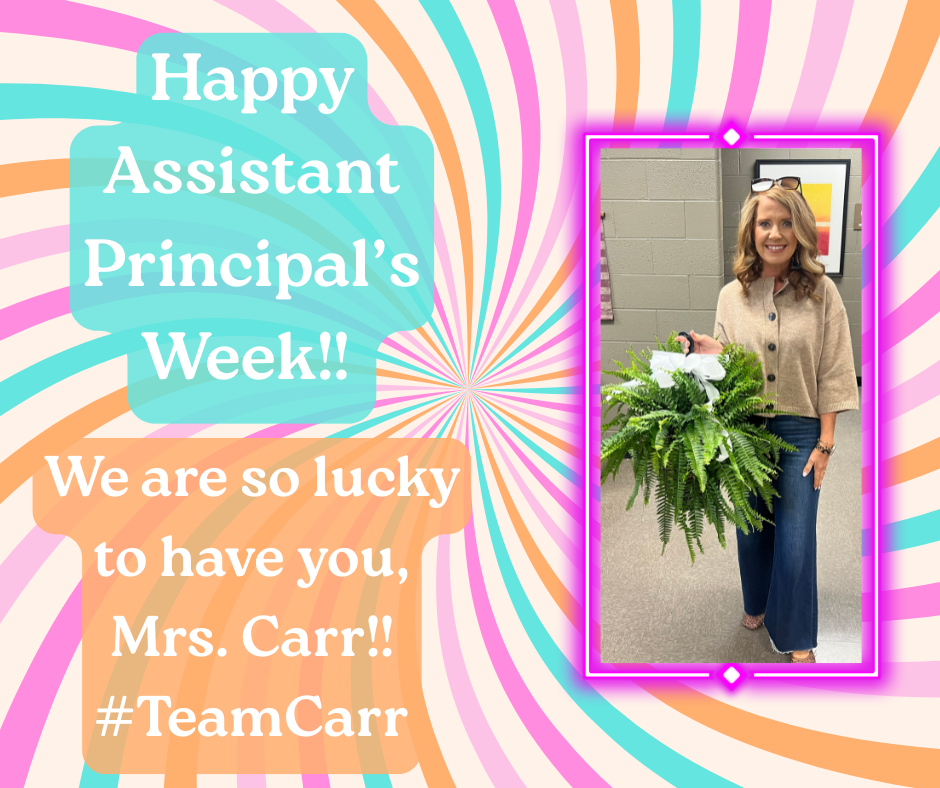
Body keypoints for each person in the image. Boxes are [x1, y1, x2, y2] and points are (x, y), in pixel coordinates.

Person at [679, 178, 858, 663]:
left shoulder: (823, 294)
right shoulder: (731, 296)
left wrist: (826, 443)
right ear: (751, 231)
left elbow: (834, 369)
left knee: (796, 541)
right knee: (752, 528)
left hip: (801, 433)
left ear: (800, 231)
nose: (774, 233)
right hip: (747, 432)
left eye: (785, 223)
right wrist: (711, 352)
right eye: (765, 223)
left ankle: (797, 635)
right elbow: (729, 370)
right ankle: (756, 601)